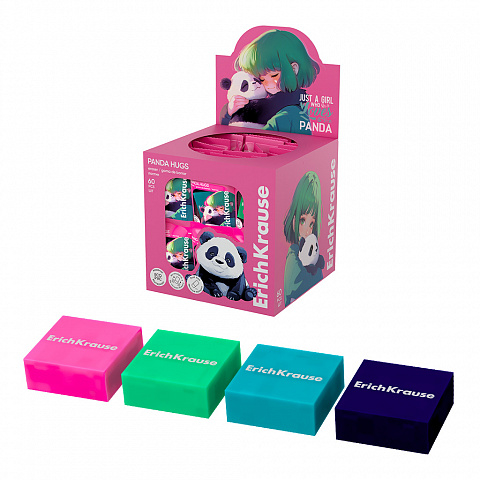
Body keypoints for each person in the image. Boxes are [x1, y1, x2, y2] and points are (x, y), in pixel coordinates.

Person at [228, 29, 320, 134]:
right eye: (262, 79)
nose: (267, 84)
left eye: (274, 75)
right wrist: (230, 111)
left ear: (294, 69)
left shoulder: (287, 114)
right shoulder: (276, 104)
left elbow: (260, 138)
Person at [283, 171, 324, 305]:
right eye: (302, 220)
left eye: (311, 224)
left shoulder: (311, 251)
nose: (307, 231)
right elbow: (293, 287)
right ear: (293, 218)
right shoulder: (293, 252)